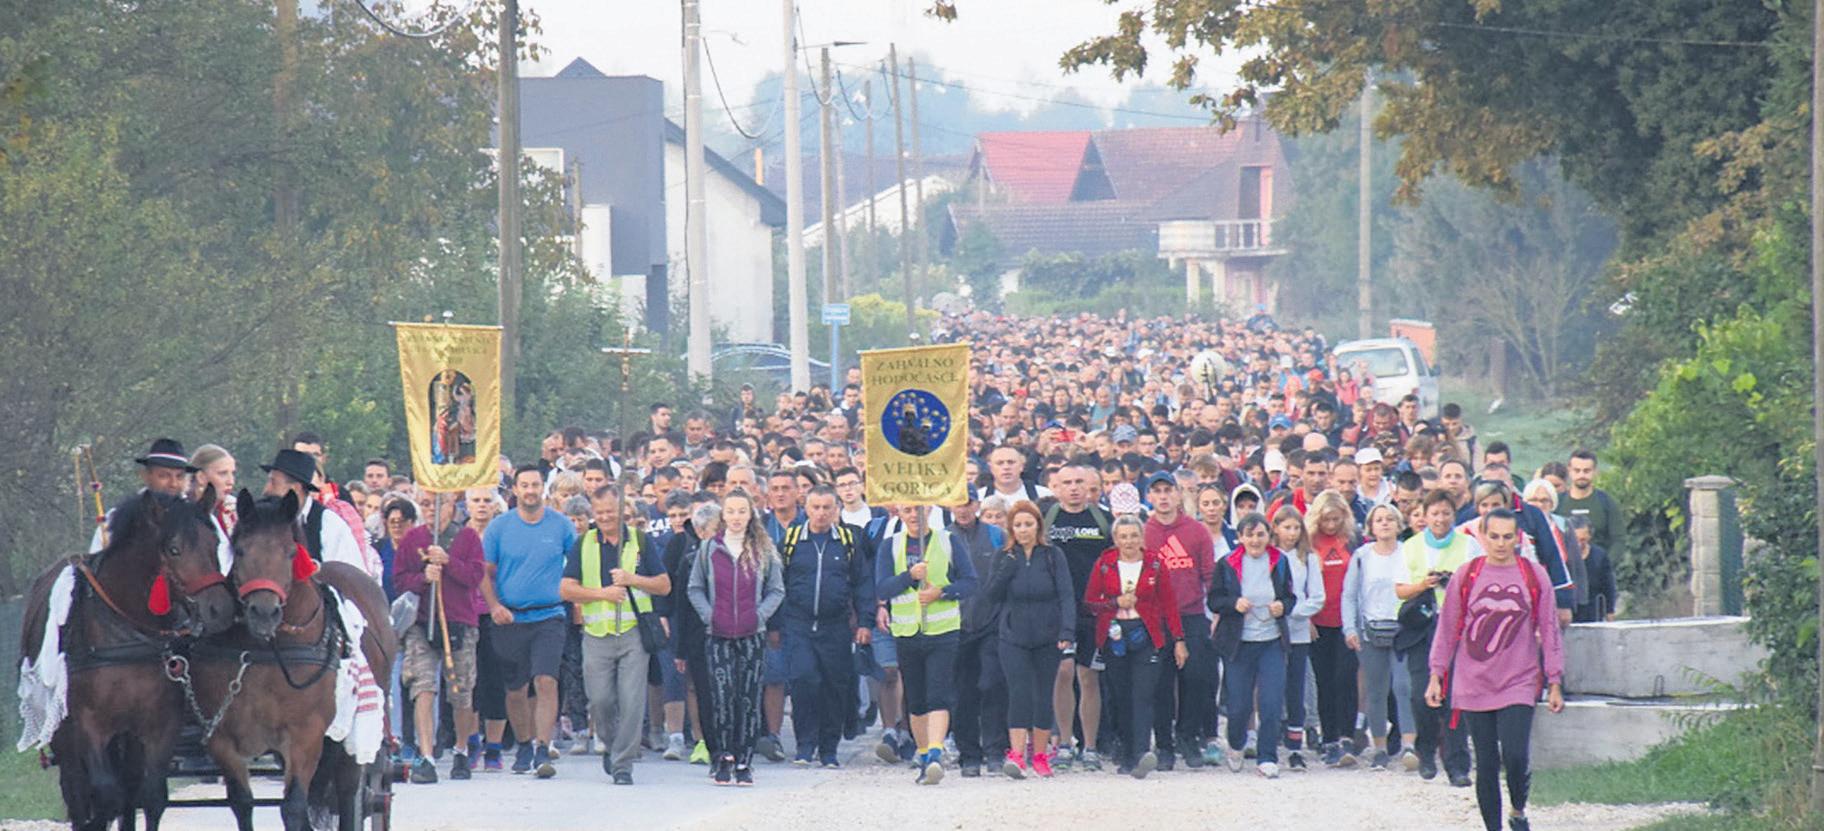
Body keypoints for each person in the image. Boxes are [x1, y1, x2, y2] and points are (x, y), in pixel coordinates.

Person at [1426, 508, 1566, 831]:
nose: (1501, 544)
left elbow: (1549, 629)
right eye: (1494, 536)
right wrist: (1436, 675)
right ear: (1482, 537)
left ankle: (1518, 809)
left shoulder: (1533, 575)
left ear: (1518, 538)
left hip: (1519, 679)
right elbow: (1447, 629)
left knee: (1515, 755)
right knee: (1486, 762)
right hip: (1473, 681)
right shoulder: (1467, 575)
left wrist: (1555, 680)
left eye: (1507, 537)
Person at [558, 487, 671, 785]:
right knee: (600, 701)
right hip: (597, 634)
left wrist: (632, 579)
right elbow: (566, 589)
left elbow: (664, 584)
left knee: (632, 702)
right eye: (600, 512)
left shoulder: (640, 541)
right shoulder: (584, 543)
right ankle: (611, 744)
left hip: (633, 633)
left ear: (622, 511)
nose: (605, 517)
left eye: (611, 511)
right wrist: (602, 594)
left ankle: (623, 764)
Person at [480, 464, 579, 779]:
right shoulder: (499, 527)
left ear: (543, 489)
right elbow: (484, 572)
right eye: (524, 485)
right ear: (515, 490)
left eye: (536, 485)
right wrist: (494, 606)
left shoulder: (561, 525)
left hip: (550, 615)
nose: (531, 491)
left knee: (546, 680)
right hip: (510, 617)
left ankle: (542, 747)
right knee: (516, 689)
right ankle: (523, 744)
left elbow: (577, 563)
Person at [875, 503, 980, 785]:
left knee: (939, 694)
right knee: (917, 698)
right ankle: (923, 754)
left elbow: (970, 582)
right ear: (900, 512)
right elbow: (883, 588)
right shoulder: (890, 546)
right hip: (908, 631)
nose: (914, 515)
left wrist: (942, 592)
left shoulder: (948, 541)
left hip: (942, 630)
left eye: (919, 510)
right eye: (909, 510)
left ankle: (935, 752)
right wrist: (909, 577)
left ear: (930, 510)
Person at [686, 489, 785, 786]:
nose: (737, 517)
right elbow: (694, 588)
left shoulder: (763, 549)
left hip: (751, 635)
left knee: (748, 697)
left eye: (742, 511)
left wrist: (759, 615)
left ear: (751, 514)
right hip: (718, 635)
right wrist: (709, 615)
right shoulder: (709, 549)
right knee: (722, 696)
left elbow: (776, 590)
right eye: (731, 511)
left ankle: (745, 760)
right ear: (723, 515)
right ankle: (724, 756)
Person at [394, 488, 488, 783]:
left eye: (438, 503)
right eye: (425, 504)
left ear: (451, 506)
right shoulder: (413, 539)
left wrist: (449, 562)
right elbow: (399, 580)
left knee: (461, 691)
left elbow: (475, 577)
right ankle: (426, 755)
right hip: (422, 622)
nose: (431, 509)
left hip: (459, 621)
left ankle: (461, 748)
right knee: (422, 686)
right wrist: (423, 578)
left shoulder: (467, 537)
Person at [776, 485, 873, 769]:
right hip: (798, 624)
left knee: (834, 686)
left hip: (836, 626)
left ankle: (829, 749)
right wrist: (775, 625)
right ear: (806, 508)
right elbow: (777, 583)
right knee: (803, 681)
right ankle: (805, 746)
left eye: (827, 507)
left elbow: (862, 583)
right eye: (815, 507)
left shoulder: (847, 542)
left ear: (836, 510)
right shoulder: (791, 540)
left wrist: (865, 622)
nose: (821, 513)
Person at [1084, 515, 1186, 779]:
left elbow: (1169, 604)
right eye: (1123, 536)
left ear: (1142, 538)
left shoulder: (1155, 563)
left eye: (1133, 536)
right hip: (1115, 636)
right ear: (1115, 539)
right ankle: (1126, 752)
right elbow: (1090, 602)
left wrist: (1178, 640)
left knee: (1143, 694)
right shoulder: (1105, 564)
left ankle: (1142, 753)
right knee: (1121, 695)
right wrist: (1115, 602)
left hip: (1147, 635)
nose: (1128, 541)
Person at [1395, 489, 1481, 785]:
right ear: (1425, 515)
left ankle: (1458, 764)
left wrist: (1454, 582)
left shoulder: (1469, 545)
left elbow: (1480, 583)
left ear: (1454, 515)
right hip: (1422, 627)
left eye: (1446, 513)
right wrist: (1424, 584)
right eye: (1435, 513)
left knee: (1455, 696)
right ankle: (1426, 751)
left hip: (1458, 627)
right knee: (1422, 694)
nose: (1440, 519)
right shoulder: (1411, 546)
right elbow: (1400, 589)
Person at [983, 500, 1074, 779]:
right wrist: (1007, 569)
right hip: (1013, 635)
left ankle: (1041, 755)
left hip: (1048, 635)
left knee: (1043, 695)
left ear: (1038, 526)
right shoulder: (1003, 556)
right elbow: (991, 595)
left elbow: (1066, 594)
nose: (1023, 530)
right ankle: (1016, 753)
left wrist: (1067, 631)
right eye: (1018, 525)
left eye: (1028, 524)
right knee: (1018, 693)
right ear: (1011, 528)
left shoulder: (1053, 555)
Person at [1209, 512, 1297, 778]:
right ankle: (1236, 744)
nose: (1255, 540)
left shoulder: (1280, 561)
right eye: (1250, 535)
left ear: (1269, 536)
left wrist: (1283, 606)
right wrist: (1233, 604)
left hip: (1271, 641)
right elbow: (1214, 600)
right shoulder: (1227, 563)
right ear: (1240, 537)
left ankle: (1267, 756)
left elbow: (1290, 597)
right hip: (1239, 644)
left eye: (1260, 534)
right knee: (1238, 705)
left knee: (1271, 702)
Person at [1142, 472, 1216, 769]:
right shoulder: (1144, 532)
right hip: (1156, 618)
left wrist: (1215, 613)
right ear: (1149, 496)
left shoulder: (1197, 531)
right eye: (1157, 491)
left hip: (1192, 614)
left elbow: (1209, 575)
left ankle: (1188, 735)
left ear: (1177, 494)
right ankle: (1164, 745)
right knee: (1160, 682)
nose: (1163, 496)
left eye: (1168, 490)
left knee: (1195, 678)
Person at [1043, 459, 1113, 771]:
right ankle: (1064, 742)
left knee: (1089, 676)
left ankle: (1091, 746)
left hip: (1094, 611)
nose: (1073, 488)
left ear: (1089, 487)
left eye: (1079, 483)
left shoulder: (1103, 519)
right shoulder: (1047, 518)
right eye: (1067, 483)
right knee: (1062, 673)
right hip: (1058, 611)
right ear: (1056, 487)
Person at [1341, 503, 1414, 770]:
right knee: (1375, 690)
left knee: (1404, 686)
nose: (1384, 523)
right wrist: (1349, 628)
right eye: (1379, 519)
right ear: (1371, 526)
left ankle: (1409, 745)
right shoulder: (1362, 556)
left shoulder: (1408, 552)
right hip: (1370, 629)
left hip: (1403, 629)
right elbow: (1349, 595)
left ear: (1399, 524)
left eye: (1390, 519)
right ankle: (1380, 747)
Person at [949, 487, 1009, 777]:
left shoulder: (996, 535)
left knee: (992, 684)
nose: (963, 509)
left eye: (968, 503)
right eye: (958, 503)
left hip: (991, 623)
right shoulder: (942, 537)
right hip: (955, 625)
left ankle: (996, 750)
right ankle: (969, 754)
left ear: (977, 505)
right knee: (963, 692)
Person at [1304, 490, 1360, 768]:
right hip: (1319, 622)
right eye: (1326, 520)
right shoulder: (1309, 543)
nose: (1331, 525)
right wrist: (1307, 618)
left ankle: (1347, 734)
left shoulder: (1352, 540)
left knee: (1345, 678)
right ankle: (1329, 738)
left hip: (1346, 620)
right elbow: (1300, 582)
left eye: (1336, 519)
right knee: (1324, 681)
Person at [260, 448, 377, 577]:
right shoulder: (263, 521)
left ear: (295, 488)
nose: (266, 490)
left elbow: (349, 578)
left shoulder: (330, 525)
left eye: (273, 483)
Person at [1269, 504, 1324, 770]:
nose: (1291, 533)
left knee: (1296, 688)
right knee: (1271, 686)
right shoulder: (1267, 555)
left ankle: (1295, 746)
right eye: (1286, 527)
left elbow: (1317, 597)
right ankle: (1269, 740)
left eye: (1296, 528)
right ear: (1276, 529)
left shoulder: (1308, 558)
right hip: (1269, 630)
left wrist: (1293, 611)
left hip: (1298, 630)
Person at [1556, 449, 1622, 562]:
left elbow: (1618, 539)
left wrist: (1606, 564)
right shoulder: (1558, 502)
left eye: (1586, 471)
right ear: (1569, 471)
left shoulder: (1606, 502)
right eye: (1577, 470)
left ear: (1595, 471)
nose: (1581, 475)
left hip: (1598, 566)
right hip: (1565, 567)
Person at [1568, 515, 1618, 622]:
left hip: (1593, 610)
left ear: (1590, 536)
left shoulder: (1599, 556)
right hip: (1568, 610)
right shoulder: (1562, 555)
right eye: (1575, 540)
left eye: (1583, 540)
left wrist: (1610, 611)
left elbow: (1608, 585)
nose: (1578, 544)